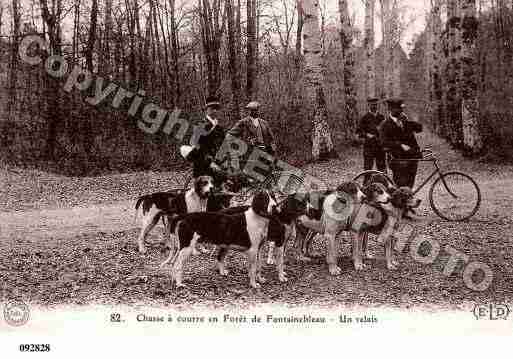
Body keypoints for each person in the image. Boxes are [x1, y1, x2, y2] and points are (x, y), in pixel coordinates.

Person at [183, 95, 227, 188]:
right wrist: (209, 161)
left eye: (216, 108)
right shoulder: (200, 124)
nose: (214, 111)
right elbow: (196, 144)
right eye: (212, 108)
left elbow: (223, 145)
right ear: (206, 109)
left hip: (217, 163)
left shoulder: (219, 127)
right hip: (203, 164)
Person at [379, 98, 423, 189]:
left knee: (410, 184)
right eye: (398, 109)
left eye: (401, 108)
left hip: (412, 157)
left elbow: (419, 128)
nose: (401, 110)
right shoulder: (385, 125)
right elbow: (384, 143)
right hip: (397, 159)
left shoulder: (405, 121)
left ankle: (407, 200)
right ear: (390, 109)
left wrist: (408, 120)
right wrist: (400, 145)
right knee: (401, 185)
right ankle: (401, 201)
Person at [228, 101, 278, 180]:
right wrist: (242, 144)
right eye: (252, 110)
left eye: (256, 109)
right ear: (249, 111)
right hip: (250, 154)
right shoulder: (243, 122)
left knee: (267, 175)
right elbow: (230, 135)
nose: (255, 111)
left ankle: (267, 190)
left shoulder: (264, 123)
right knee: (253, 178)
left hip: (265, 152)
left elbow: (271, 138)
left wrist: (273, 146)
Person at [357, 98, 386, 182]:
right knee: (367, 168)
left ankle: (384, 185)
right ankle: (366, 186)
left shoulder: (381, 117)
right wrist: (367, 135)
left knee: (382, 168)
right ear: (368, 105)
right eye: (372, 105)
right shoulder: (364, 118)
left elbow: (386, 131)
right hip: (369, 147)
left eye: (376, 104)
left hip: (380, 147)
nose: (374, 106)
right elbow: (359, 132)